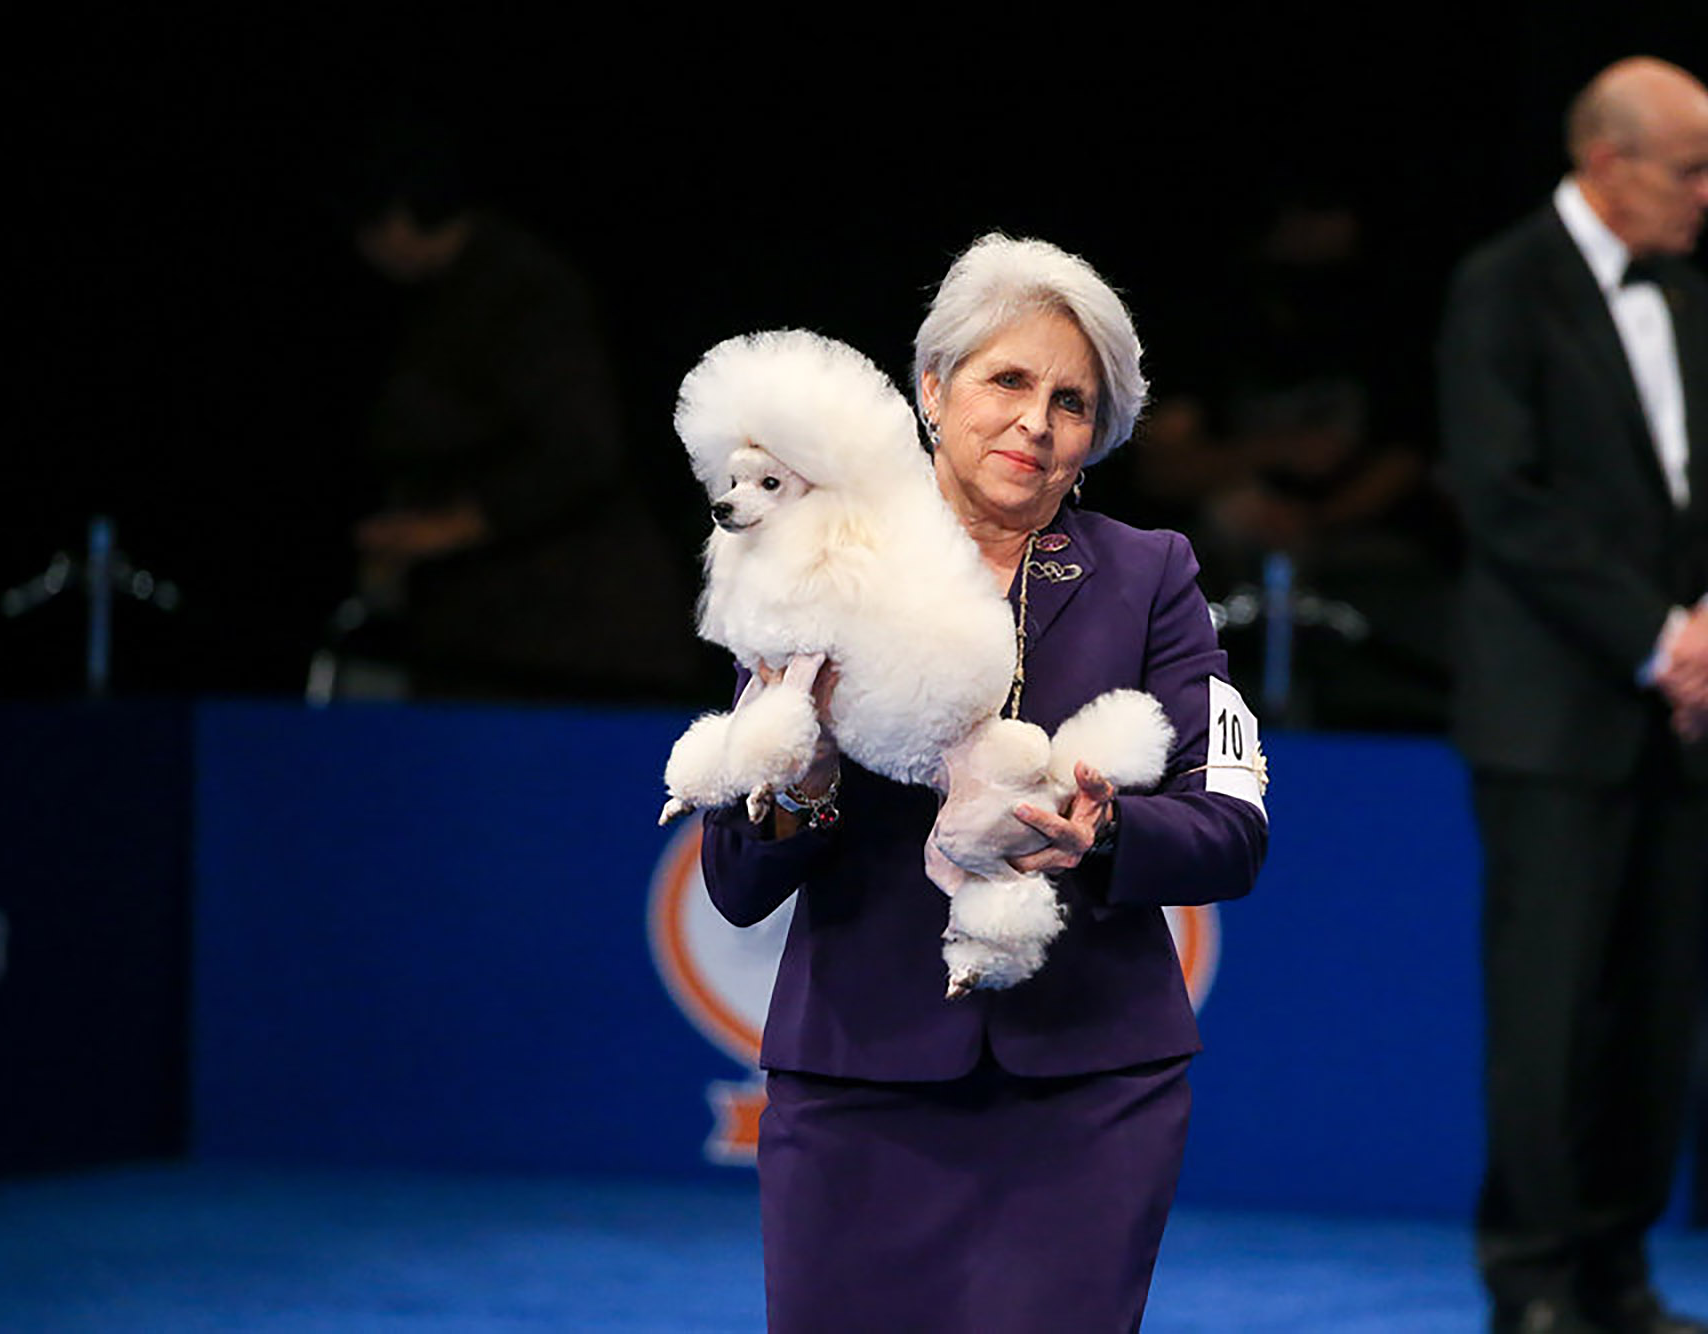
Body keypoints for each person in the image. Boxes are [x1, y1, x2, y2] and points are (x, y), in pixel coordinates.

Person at [698, 234, 1269, 1332]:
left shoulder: (1153, 574)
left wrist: (1099, 835)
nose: (1034, 420)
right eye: (1006, 379)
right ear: (929, 387)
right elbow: (734, 872)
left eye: (1070, 400)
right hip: (855, 1081)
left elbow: (1230, 829)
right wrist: (802, 780)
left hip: (1090, 1089)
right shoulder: (813, 552)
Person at [1437, 59, 1708, 1334]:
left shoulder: (1687, 299)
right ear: (1606, 160)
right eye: (1691, 167)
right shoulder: (1498, 287)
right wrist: (1655, 637)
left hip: (1673, 717)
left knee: (1650, 1010)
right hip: (1553, 716)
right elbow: (1505, 502)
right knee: (1550, 1009)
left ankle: (1617, 1274)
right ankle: (1530, 1281)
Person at [342, 120, 697, 701]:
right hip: (489, 637)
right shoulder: (441, 295)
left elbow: (583, 449)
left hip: (571, 643)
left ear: (400, 216)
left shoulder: (521, 290)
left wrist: (437, 530)